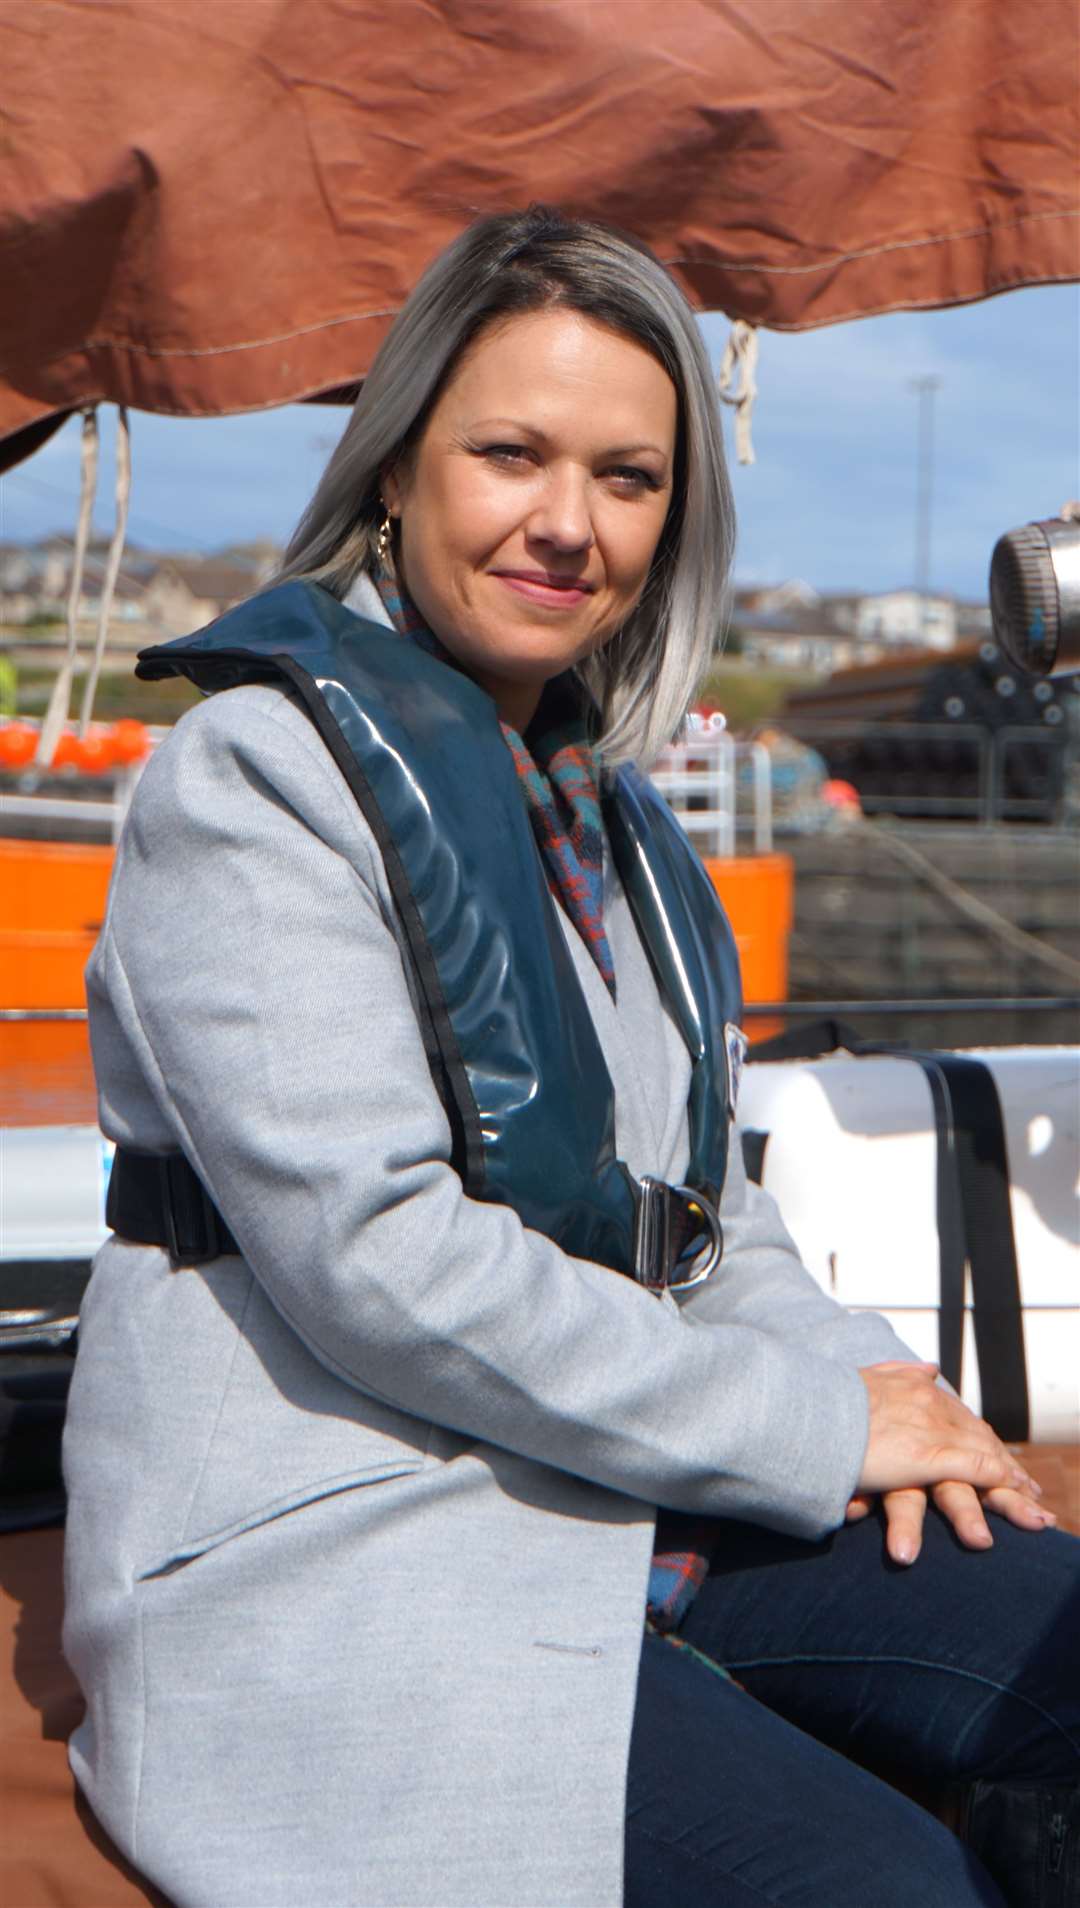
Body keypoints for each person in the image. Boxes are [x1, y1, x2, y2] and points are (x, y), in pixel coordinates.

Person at [63, 205, 1079, 1908]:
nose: (568, 524)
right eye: (511, 455)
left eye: (627, 476)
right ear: (395, 469)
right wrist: (818, 1427)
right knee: (873, 1887)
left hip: (613, 1489)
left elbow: (710, 1220)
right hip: (337, 1536)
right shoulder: (250, 785)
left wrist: (914, 1415)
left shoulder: (608, 826)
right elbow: (379, 1261)